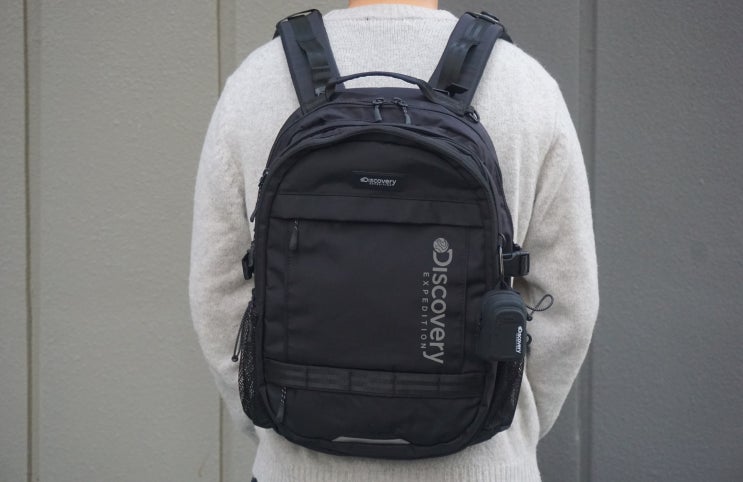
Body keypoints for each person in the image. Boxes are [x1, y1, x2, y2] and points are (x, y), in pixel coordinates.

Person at [189, 0, 599, 480]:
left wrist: (272, 420)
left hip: (295, 465)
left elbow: (216, 294)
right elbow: (570, 305)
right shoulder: (526, 84)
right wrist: (507, 418)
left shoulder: (255, 81)